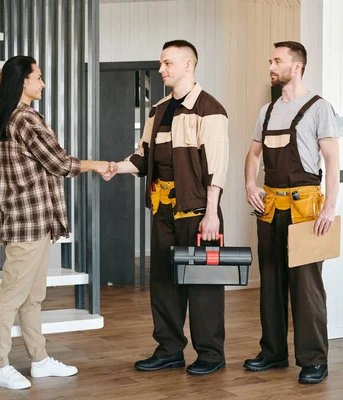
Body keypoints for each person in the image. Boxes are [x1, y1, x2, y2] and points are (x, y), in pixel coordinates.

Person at [101, 40, 229, 375]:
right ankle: (170, 349)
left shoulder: (210, 109)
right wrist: (117, 166)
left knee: (203, 283)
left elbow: (217, 165)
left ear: (189, 65)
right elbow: (143, 157)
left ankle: (211, 355)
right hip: (164, 212)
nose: (161, 70)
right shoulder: (157, 110)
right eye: (161, 63)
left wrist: (212, 213)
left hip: (201, 211)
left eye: (168, 63)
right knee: (163, 283)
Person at [0, 55, 108, 390]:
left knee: (33, 297)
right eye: (38, 77)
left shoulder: (17, 116)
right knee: (12, 296)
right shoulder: (23, 119)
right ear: (23, 82)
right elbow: (58, 162)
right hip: (26, 222)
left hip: (36, 219)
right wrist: (99, 164)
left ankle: (39, 360)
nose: (42, 83)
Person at [243, 41, 339, 384]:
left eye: (276, 60)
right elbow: (253, 155)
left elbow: (331, 160)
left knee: (306, 287)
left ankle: (314, 360)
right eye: (271, 60)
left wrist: (329, 207)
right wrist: (250, 185)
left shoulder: (318, 108)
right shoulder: (266, 111)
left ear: (295, 67)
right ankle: (272, 353)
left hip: (306, 208)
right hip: (271, 207)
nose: (270, 65)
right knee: (270, 281)